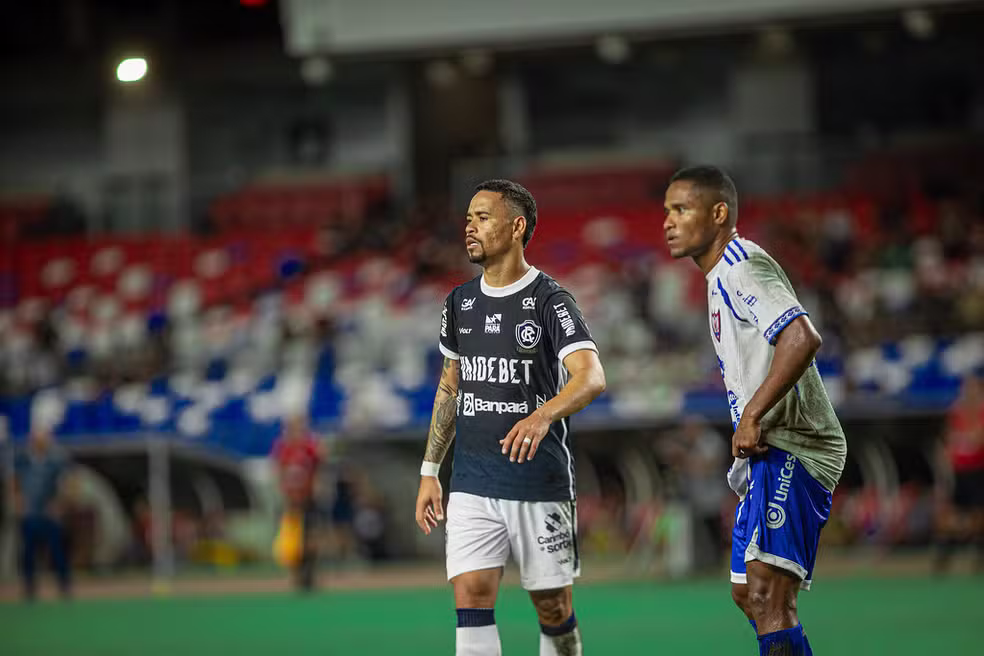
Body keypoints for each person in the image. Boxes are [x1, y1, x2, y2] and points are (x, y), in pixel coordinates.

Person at [414, 179, 606, 656]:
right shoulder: (459, 303)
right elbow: (450, 388)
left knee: (553, 608)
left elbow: (590, 377)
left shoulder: (550, 300)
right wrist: (430, 470)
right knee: (471, 598)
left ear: (517, 227)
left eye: (482, 218)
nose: (469, 227)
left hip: (537, 482)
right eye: (468, 219)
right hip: (472, 482)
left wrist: (543, 415)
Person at [663, 165, 847, 655]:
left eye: (681, 209)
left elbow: (801, 336)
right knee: (748, 594)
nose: (668, 221)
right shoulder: (717, 278)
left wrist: (751, 416)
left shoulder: (741, 265)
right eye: (666, 211)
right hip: (769, 449)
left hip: (796, 442)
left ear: (718, 213)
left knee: (768, 596)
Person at [12, 426, 73, 600]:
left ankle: (64, 585)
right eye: (36, 440)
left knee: (57, 551)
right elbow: (15, 481)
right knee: (28, 552)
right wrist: (18, 502)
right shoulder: (22, 460)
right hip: (30, 514)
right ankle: (29, 587)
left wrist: (59, 505)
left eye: (43, 439)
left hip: (49, 515)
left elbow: (66, 482)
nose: (40, 443)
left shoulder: (56, 461)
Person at [934, 372, 984, 572]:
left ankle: (978, 557)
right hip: (959, 472)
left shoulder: (981, 414)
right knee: (949, 514)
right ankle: (944, 556)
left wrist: (964, 439)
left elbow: (977, 439)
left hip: (978, 472)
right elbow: (949, 441)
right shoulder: (956, 413)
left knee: (978, 515)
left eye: (973, 389)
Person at [271, 413, 324, 592]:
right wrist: (283, 492)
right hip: (291, 500)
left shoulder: (310, 447)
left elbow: (319, 466)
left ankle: (310, 573)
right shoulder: (283, 448)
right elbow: (278, 470)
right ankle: (296, 575)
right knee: (292, 540)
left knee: (310, 537)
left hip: (308, 499)